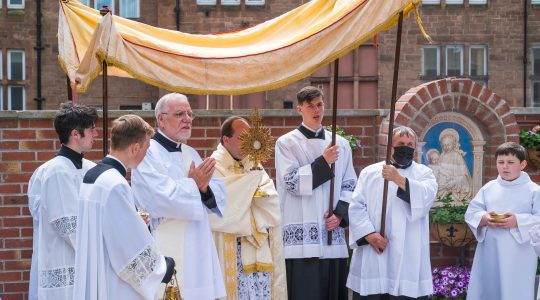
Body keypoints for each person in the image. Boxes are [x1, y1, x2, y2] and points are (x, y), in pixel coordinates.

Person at [131, 93, 226, 300]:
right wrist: (195, 185)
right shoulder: (148, 154)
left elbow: (218, 191)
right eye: (180, 114)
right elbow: (158, 198)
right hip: (164, 244)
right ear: (161, 120)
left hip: (198, 247)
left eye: (190, 114)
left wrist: (203, 189)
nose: (187, 119)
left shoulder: (191, 153)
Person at [73, 115, 175, 299]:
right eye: (147, 148)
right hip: (113, 284)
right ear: (135, 148)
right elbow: (127, 249)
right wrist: (163, 267)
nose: (146, 154)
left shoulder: (93, 176)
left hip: (95, 273)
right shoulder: (115, 184)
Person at [275, 86, 357, 300]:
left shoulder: (341, 145)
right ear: (299, 108)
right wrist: (323, 162)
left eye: (319, 104)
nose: (316, 110)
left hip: (332, 237)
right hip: (301, 240)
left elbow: (350, 185)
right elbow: (291, 183)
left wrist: (339, 215)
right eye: (310, 106)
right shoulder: (286, 143)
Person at [347, 126, 438, 300]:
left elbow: (426, 198)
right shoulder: (370, 172)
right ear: (390, 147)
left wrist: (397, 178)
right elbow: (357, 206)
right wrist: (368, 234)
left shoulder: (424, 173)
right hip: (375, 249)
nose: (406, 147)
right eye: (401, 143)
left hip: (408, 253)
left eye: (410, 144)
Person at [209, 116, 287, 299]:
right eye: (242, 138)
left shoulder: (254, 164)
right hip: (231, 247)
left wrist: (245, 195)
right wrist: (249, 193)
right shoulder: (214, 166)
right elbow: (223, 209)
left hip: (258, 246)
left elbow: (273, 202)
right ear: (226, 140)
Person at [27, 103, 98, 300]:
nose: (96, 134)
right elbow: (68, 227)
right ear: (76, 134)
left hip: (84, 264)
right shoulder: (56, 172)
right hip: (63, 263)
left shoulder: (89, 168)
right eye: (92, 129)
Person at [465, 142, 540, 300]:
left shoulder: (534, 190)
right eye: (501, 162)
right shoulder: (489, 188)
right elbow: (471, 212)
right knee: (489, 289)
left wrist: (518, 221)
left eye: (510, 162)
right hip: (489, 252)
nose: (505, 167)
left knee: (515, 291)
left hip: (520, 255)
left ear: (523, 164)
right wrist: (485, 218)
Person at [437, 128, 472, 201]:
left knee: (461, 179)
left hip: (456, 180)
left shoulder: (457, 156)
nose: (446, 147)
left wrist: (453, 180)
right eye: (444, 145)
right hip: (444, 180)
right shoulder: (442, 156)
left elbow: (464, 173)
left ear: (453, 145)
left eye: (448, 145)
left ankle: (453, 194)